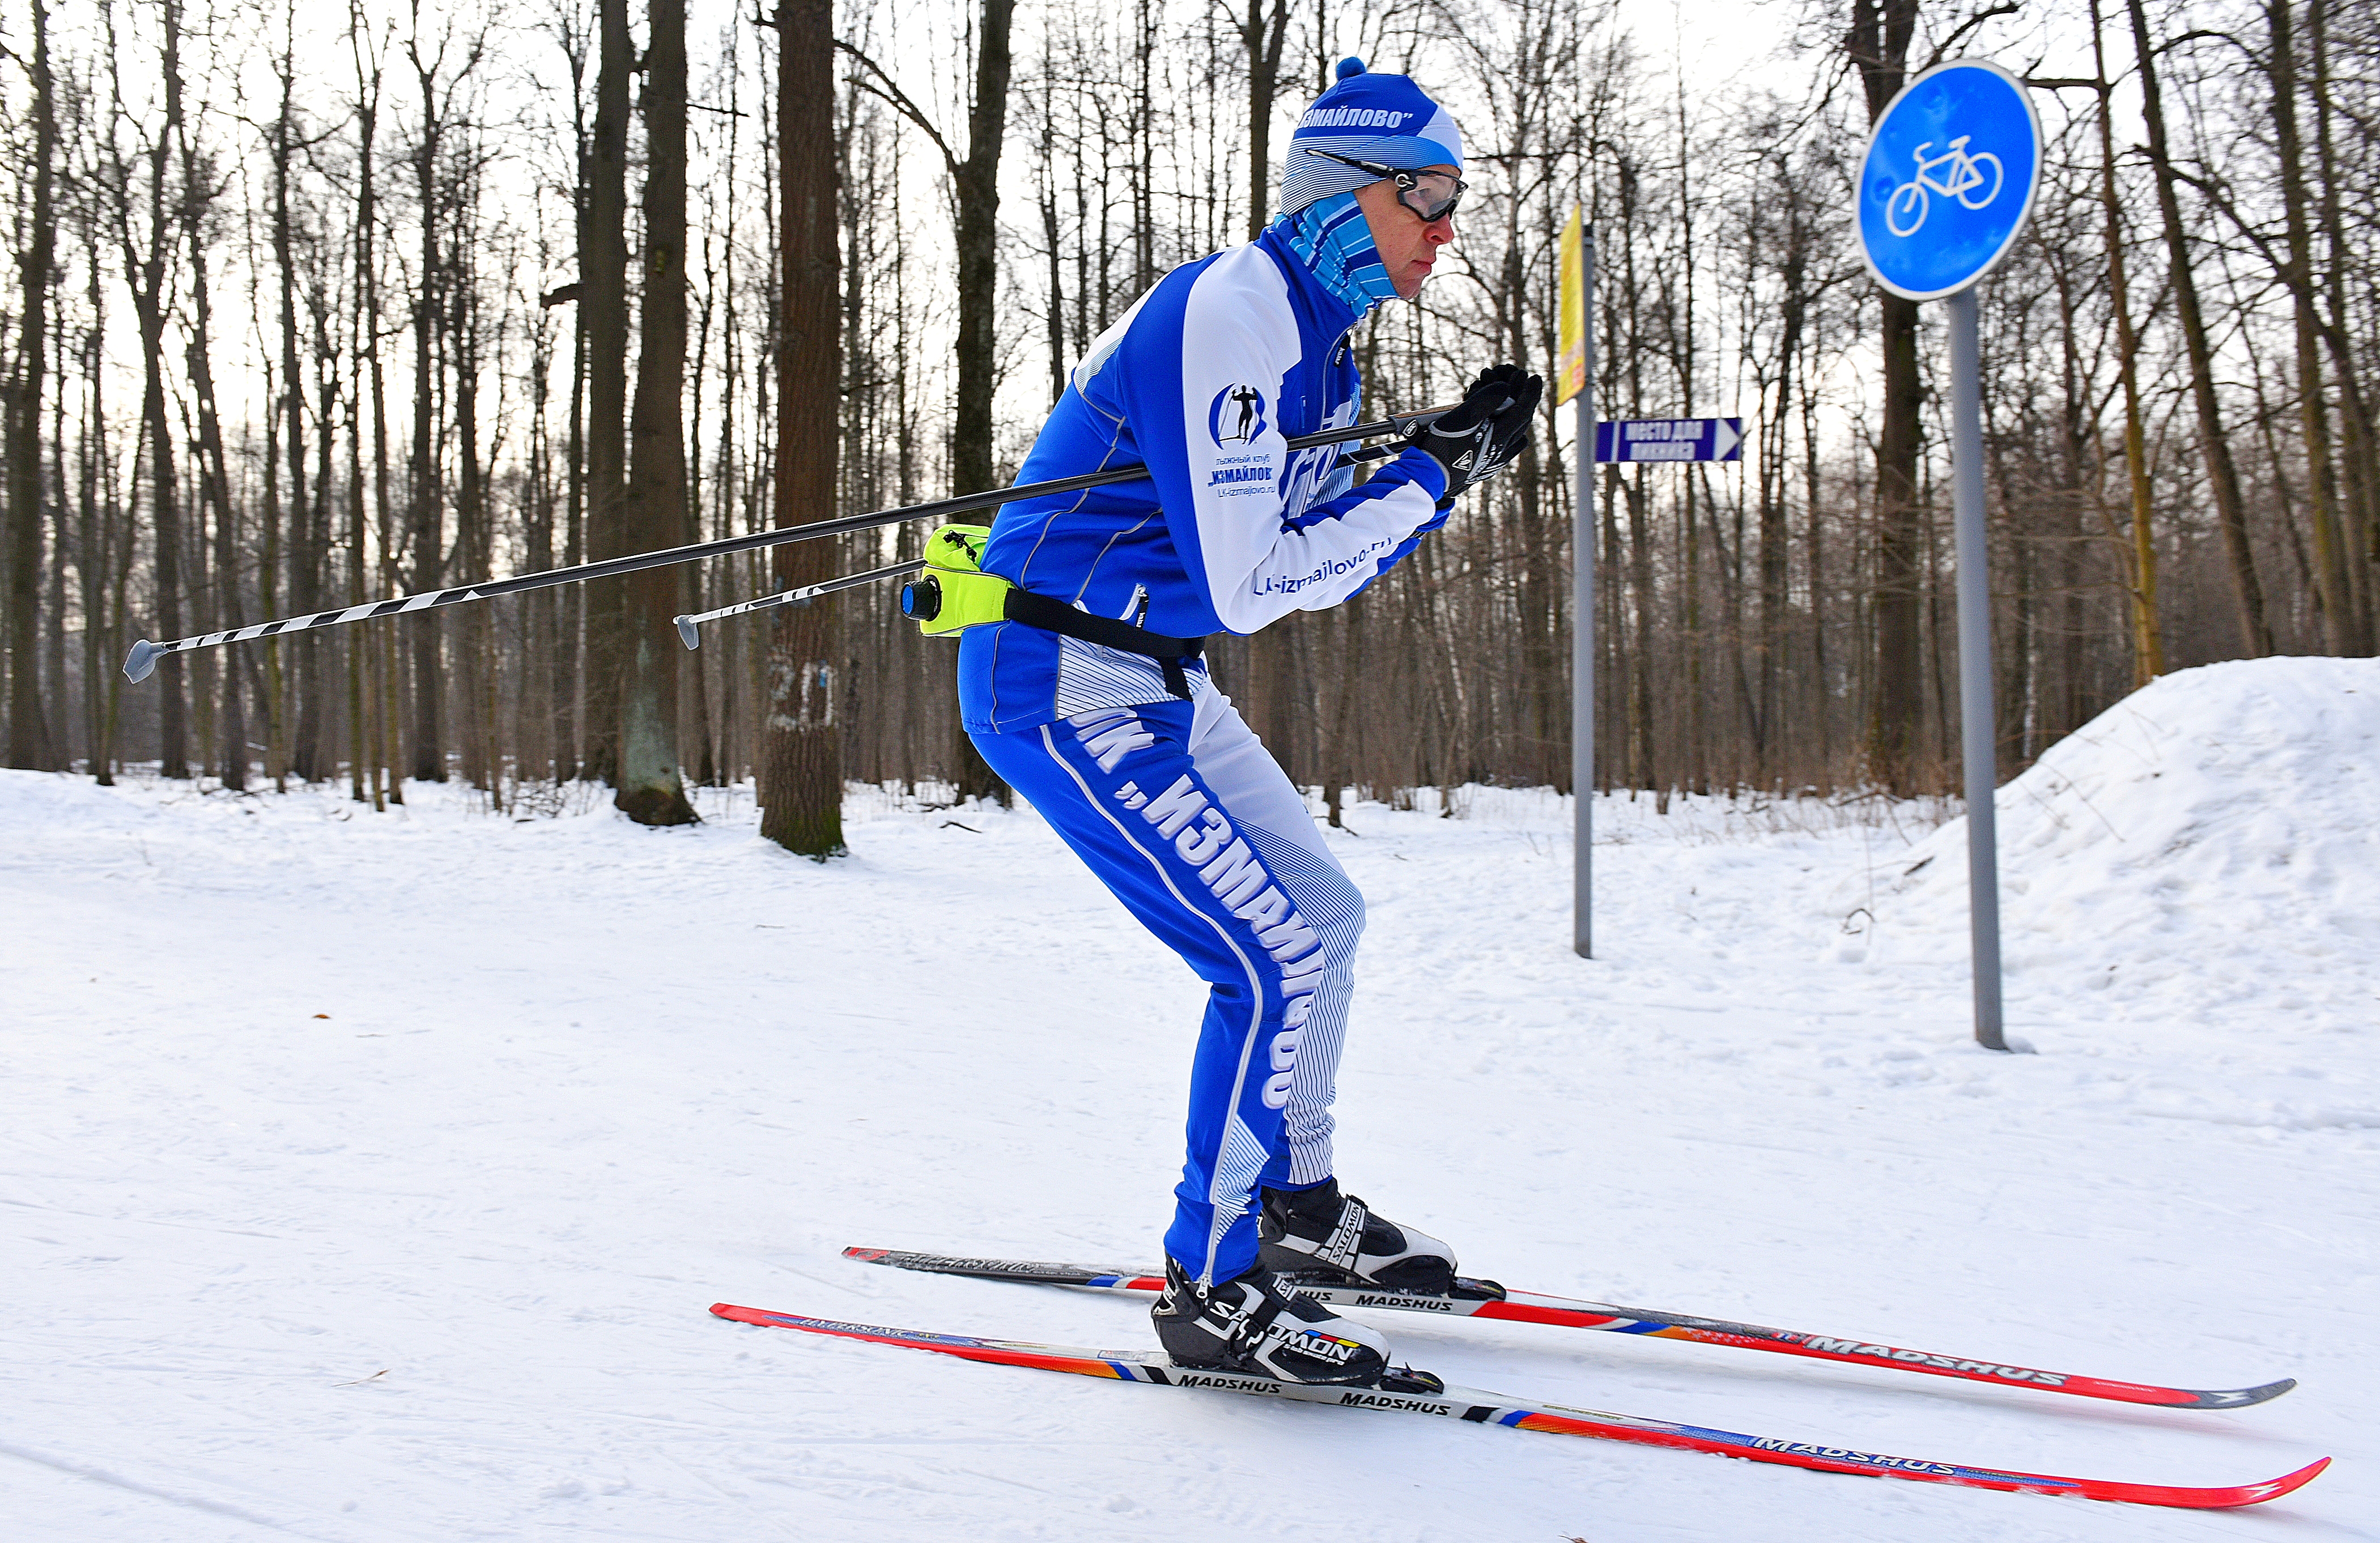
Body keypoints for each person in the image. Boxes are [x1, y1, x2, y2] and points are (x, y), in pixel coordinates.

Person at [957, 59, 1540, 1388]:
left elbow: (1289, 509)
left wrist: (1430, 450)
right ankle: (1210, 1289)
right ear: (1346, 193)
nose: (1446, 228)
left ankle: (1293, 1206)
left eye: (1453, 201)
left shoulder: (1315, 332)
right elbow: (1253, 576)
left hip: (1155, 670)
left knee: (1324, 921)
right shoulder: (1233, 311)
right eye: (1428, 196)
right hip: (1066, 676)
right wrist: (1435, 479)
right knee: (1270, 955)